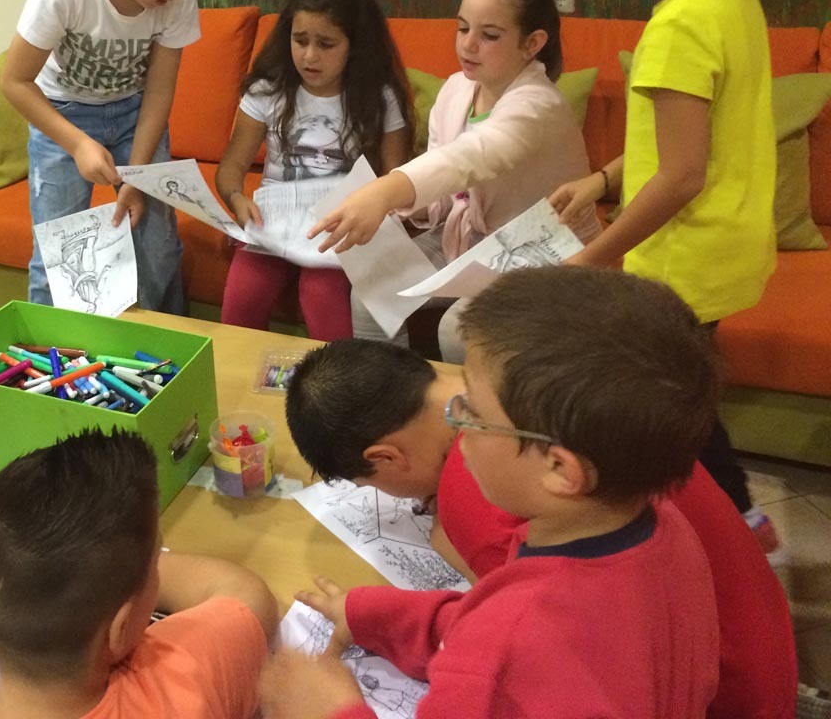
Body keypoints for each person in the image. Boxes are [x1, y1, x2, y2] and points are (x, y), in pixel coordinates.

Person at [270, 267, 723, 718]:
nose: (454, 420)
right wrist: (370, 614)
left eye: (473, 412)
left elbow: (502, 645)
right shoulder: (663, 530)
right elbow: (483, 620)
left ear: (559, 469)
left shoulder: (512, 645)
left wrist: (331, 711)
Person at [549, 0, 776, 537]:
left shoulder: (678, 24)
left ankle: (733, 529)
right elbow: (688, 144)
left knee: (669, 413)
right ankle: (739, 521)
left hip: (681, 260)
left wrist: (589, 261)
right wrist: (603, 180)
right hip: (722, 250)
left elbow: (681, 176)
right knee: (682, 402)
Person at [309, 0, 599, 360]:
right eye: (463, 28)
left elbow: (471, 157)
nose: (468, 45)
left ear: (532, 44)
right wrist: (401, 210)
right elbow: (447, 190)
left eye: (489, 35)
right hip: (473, 241)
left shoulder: (539, 106)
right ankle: (391, 390)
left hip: (543, 252)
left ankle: (473, 402)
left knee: (459, 330)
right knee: (371, 294)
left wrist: (385, 191)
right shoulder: (456, 89)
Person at [0, 0, 219, 316]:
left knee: (158, 246)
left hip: (135, 114)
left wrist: (135, 177)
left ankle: (164, 340)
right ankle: (46, 352)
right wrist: (78, 144)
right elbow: (14, 82)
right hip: (63, 114)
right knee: (56, 255)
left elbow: (159, 92)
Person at [0, 428, 278, 719]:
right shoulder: (180, 684)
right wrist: (127, 567)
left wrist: (104, 573)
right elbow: (247, 594)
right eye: (157, 561)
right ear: (119, 631)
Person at [215, 0, 413, 340]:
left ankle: (336, 378)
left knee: (322, 297)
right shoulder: (268, 91)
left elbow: (398, 178)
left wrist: (374, 214)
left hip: (339, 224)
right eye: (300, 40)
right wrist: (236, 198)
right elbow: (232, 167)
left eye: (326, 44)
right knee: (243, 298)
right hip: (274, 223)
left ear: (355, 45)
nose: (309, 56)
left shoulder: (379, 97)